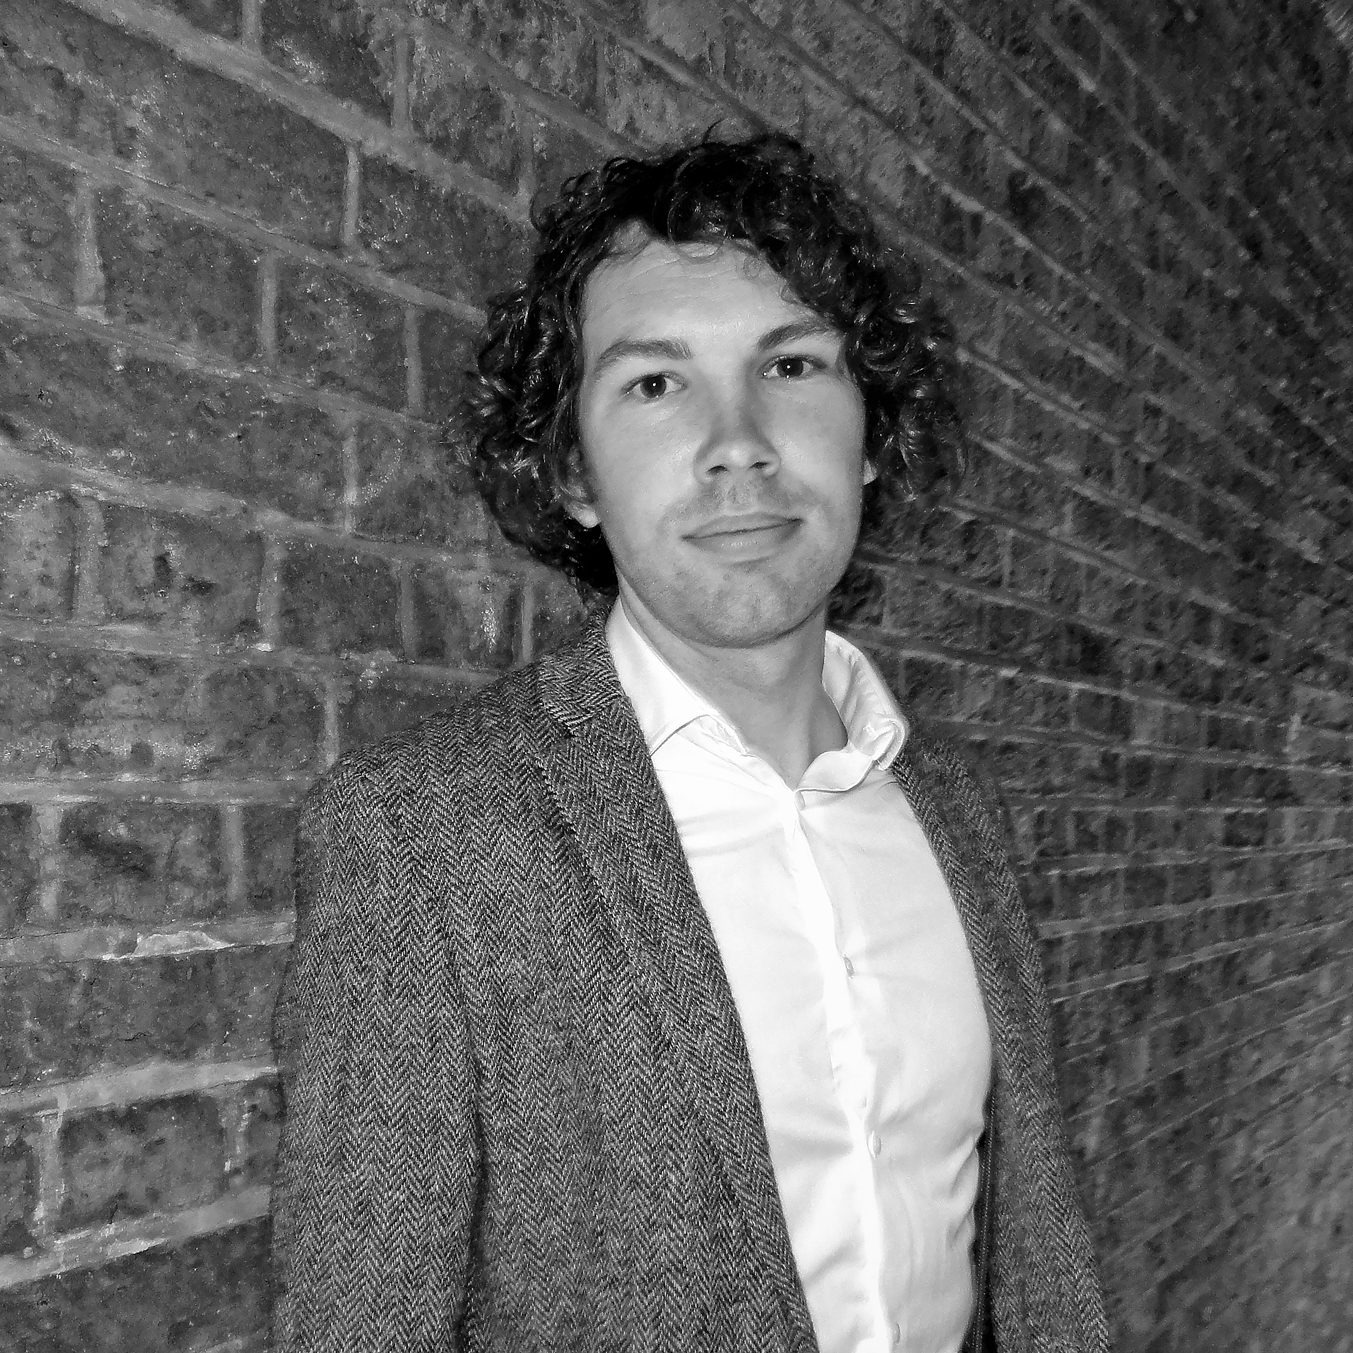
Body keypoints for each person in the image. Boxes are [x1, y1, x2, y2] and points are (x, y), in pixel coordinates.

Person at [270, 134, 1109, 1353]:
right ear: (573, 473)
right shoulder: (425, 835)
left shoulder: (956, 816)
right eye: (656, 384)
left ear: (872, 434)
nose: (739, 440)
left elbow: (1030, 1258)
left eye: (792, 365)